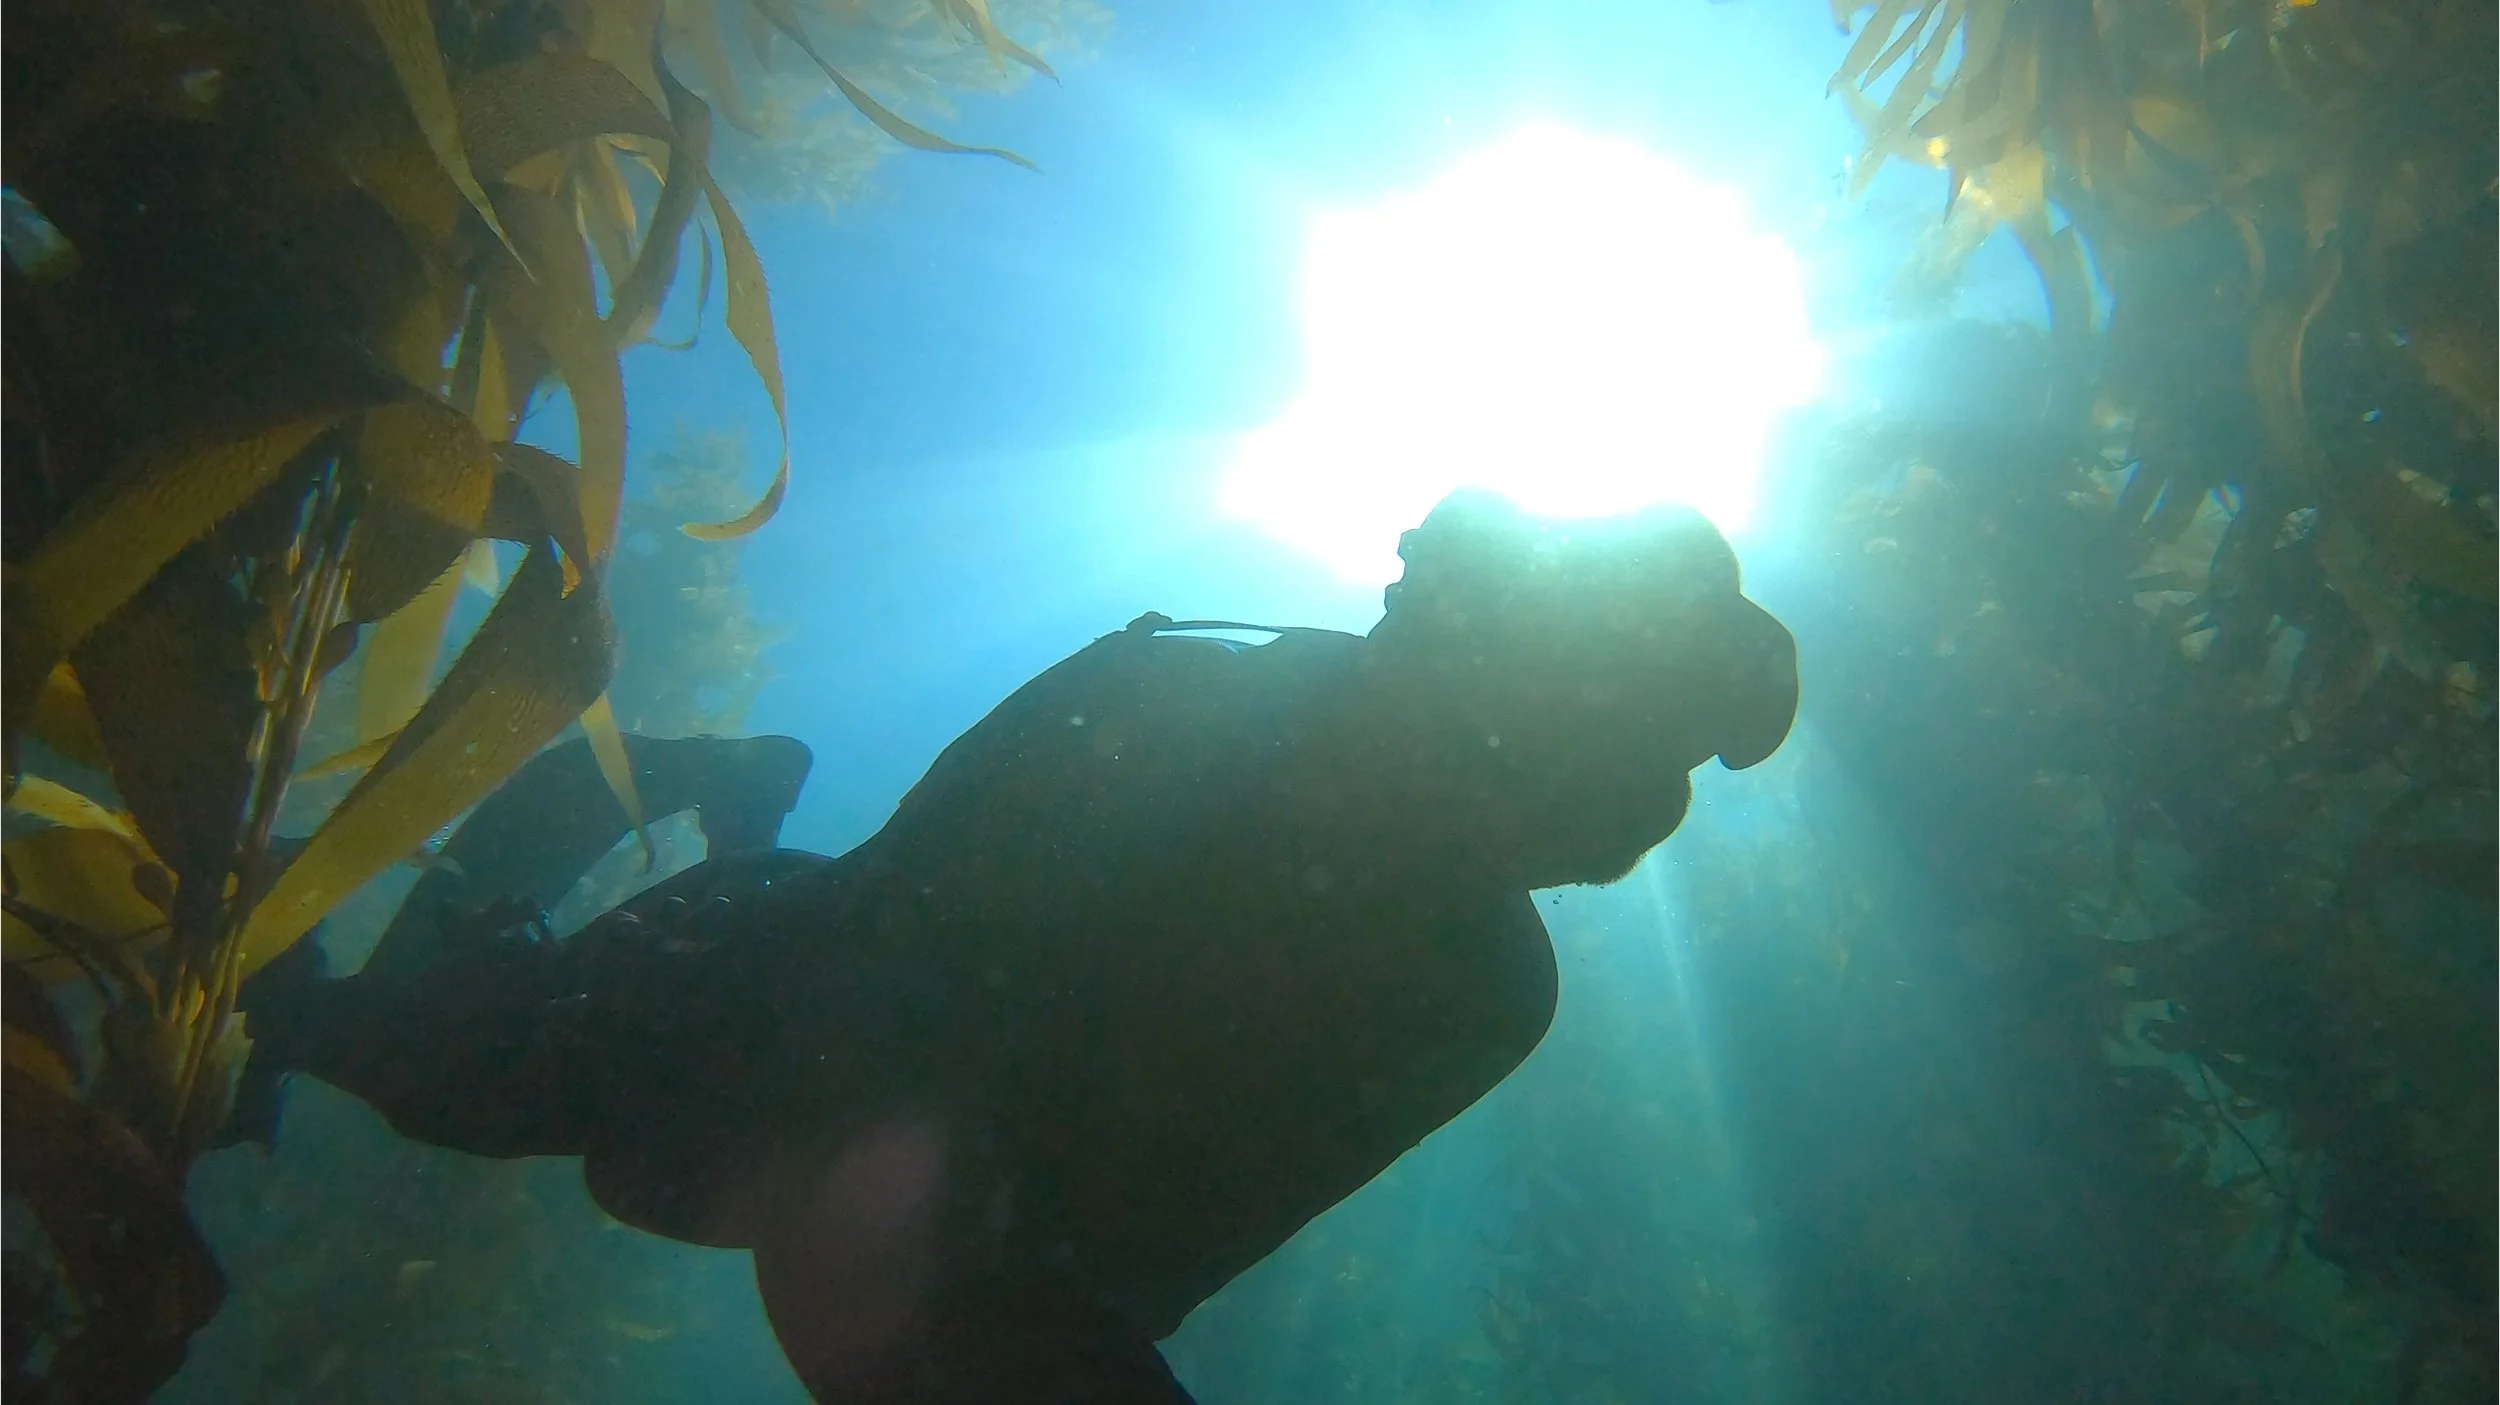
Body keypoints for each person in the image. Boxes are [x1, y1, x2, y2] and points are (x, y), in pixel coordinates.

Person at [250, 488, 1800, 1404]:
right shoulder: (1191, 702)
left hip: (888, 1121)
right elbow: (893, 950)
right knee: (414, 1051)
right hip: (751, 992)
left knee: (448, 1056)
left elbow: (1157, 1252)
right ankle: (687, 797)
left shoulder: (1478, 978)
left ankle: (712, 812)